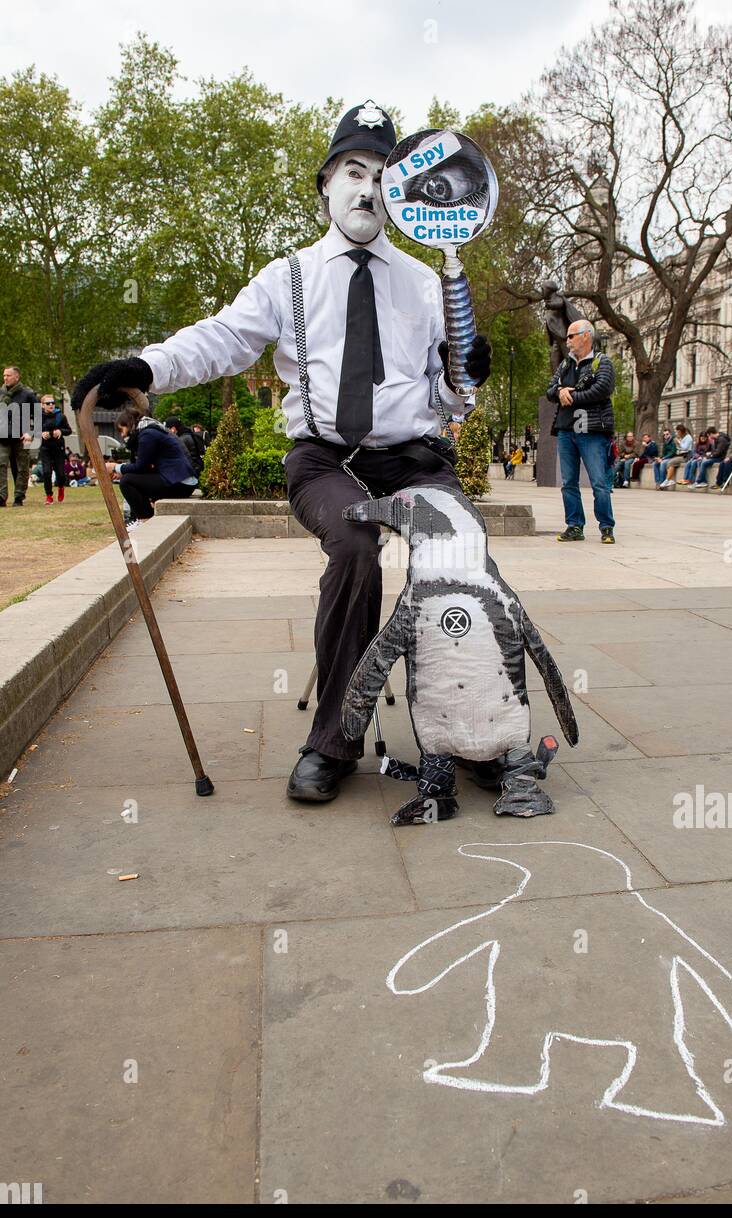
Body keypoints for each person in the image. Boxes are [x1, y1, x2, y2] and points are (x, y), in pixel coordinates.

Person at [71, 100, 492, 804]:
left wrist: (463, 371)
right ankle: (334, 740)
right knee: (355, 546)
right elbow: (222, 339)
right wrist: (144, 368)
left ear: (402, 195)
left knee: (462, 548)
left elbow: (453, 404)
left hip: (413, 460)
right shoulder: (288, 278)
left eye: (383, 176)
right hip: (325, 462)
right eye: (352, 171)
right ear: (325, 185)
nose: (366, 188)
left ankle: (472, 727)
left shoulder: (428, 284)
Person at [546, 319, 616, 544]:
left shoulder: (601, 362)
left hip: (591, 429)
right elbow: (550, 389)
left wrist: (571, 395)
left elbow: (602, 389)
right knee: (568, 482)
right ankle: (574, 525)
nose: (567, 341)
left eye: (571, 336)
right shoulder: (565, 365)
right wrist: (559, 392)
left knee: (599, 482)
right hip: (567, 429)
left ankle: (606, 527)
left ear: (586, 335)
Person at [105, 407, 199, 526]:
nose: (122, 435)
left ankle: (145, 519)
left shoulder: (147, 434)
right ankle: (146, 517)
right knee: (132, 479)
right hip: (181, 481)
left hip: (179, 483)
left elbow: (141, 467)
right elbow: (146, 467)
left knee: (127, 481)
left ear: (128, 424)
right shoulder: (152, 430)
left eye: (121, 430)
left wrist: (115, 467)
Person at [0, 364, 38, 507]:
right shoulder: (0, 393)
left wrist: (31, 432)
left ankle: (19, 497)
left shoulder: (27, 394)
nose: (5, 378)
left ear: (17, 376)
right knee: (1, 464)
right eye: (4, 375)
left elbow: (38, 416)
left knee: (22, 468)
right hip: (2, 437)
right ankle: (1, 497)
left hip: (22, 437)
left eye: (8, 375)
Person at [37, 392, 72, 504]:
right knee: (47, 472)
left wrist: (61, 431)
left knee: (61, 474)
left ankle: (61, 488)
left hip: (58, 449)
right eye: (48, 403)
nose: (51, 405)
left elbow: (69, 430)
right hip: (45, 449)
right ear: (42, 405)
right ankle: (49, 496)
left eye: (53, 403)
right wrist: (41, 433)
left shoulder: (61, 416)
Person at [659, 424, 694, 489]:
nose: (677, 433)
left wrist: (678, 442)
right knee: (668, 462)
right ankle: (669, 480)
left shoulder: (688, 437)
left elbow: (685, 448)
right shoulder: (682, 437)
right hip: (680, 455)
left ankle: (667, 480)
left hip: (685, 456)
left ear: (681, 431)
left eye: (678, 432)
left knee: (671, 462)